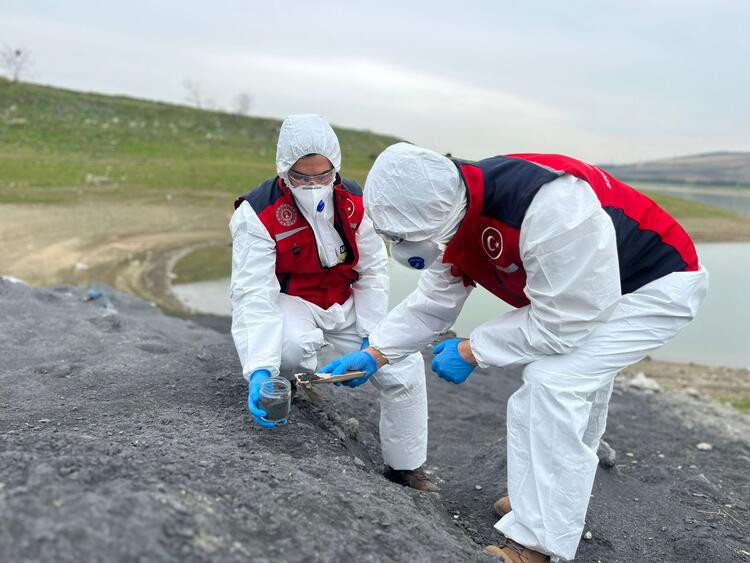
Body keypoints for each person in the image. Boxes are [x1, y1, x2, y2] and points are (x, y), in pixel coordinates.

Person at [321, 142, 708, 561]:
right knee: (572, 376)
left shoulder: (549, 209)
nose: (407, 247)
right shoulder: (445, 214)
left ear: (441, 217)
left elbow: (566, 322)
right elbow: (434, 302)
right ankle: (541, 501)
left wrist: (473, 349)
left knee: (553, 381)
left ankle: (535, 544)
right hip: (594, 294)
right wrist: (377, 352)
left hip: (654, 285)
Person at [229, 117, 434, 491]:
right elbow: (253, 293)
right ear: (283, 170)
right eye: (301, 177)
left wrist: (372, 340)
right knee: (287, 350)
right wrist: (259, 368)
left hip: (348, 300)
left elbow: (373, 271)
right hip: (295, 301)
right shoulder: (256, 215)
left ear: (335, 169)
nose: (313, 186)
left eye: (322, 176)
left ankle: (405, 467)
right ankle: (283, 380)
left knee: (406, 366)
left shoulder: (356, 204)